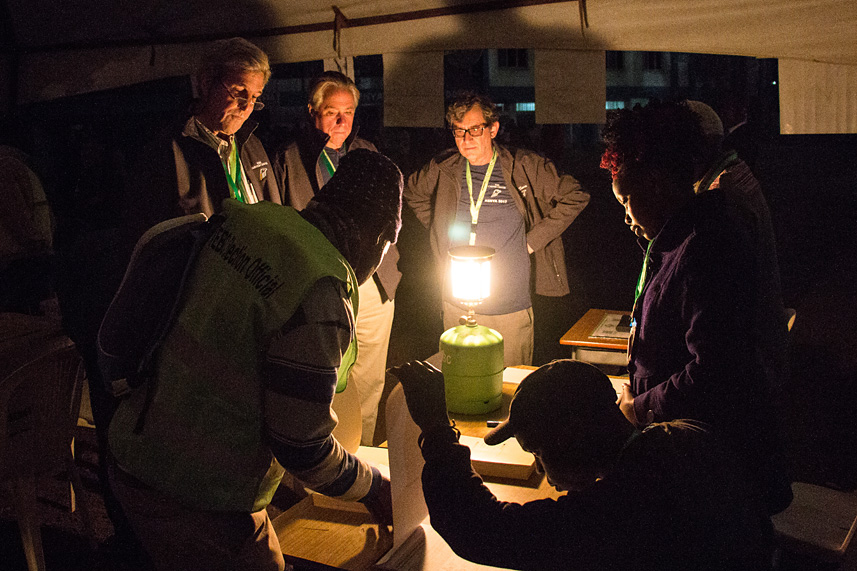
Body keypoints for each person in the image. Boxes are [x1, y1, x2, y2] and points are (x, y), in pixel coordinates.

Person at [107, 149, 400, 571]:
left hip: (139, 444)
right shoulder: (321, 291)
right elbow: (303, 448)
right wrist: (375, 489)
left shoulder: (248, 221)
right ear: (377, 237)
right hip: (200, 493)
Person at [389, 359, 772, 570]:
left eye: (538, 454)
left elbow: (482, 529)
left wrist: (438, 432)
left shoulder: (621, 509)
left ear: (570, 436)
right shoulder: (687, 437)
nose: (543, 474)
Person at [600, 100, 792, 517]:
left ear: (654, 183)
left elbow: (717, 370)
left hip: (714, 468)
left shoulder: (708, 243)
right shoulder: (683, 233)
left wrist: (640, 407)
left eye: (625, 200)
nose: (626, 218)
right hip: (692, 454)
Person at [404, 92, 590, 366]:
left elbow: (576, 195)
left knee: (510, 384)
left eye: (474, 130)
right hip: (456, 301)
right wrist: (438, 230)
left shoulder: (523, 165)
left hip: (509, 304)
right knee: (461, 380)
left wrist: (530, 242)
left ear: (493, 129)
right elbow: (412, 192)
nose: (466, 140)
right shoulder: (444, 168)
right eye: (458, 131)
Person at [273, 71, 400, 446]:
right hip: (321, 284)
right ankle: (327, 450)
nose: (342, 121)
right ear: (313, 113)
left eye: (349, 111)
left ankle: (361, 449)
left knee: (372, 375)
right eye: (332, 112)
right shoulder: (289, 158)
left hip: (373, 282)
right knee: (326, 372)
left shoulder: (367, 154)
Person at [126, 37, 280, 238]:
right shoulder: (166, 154)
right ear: (207, 83)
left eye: (255, 97)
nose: (247, 107)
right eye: (239, 93)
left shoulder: (252, 144)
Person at [687, 100, 790, 396]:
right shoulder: (735, 172)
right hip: (760, 343)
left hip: (750, 359)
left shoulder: (720, 194)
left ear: (699, 147)